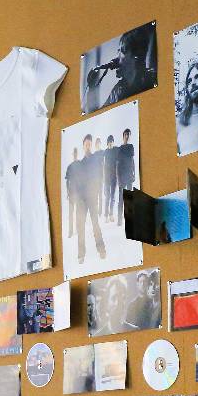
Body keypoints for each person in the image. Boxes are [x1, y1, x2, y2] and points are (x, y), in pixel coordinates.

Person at [86, 24, 156, 111]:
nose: (115, 58)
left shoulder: (152, 79)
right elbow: (99, 115)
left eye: (122, 51)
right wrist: (92, 88)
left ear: (136, 56)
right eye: (117, 51)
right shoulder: (118, 89)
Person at [75, 134, 107, 264]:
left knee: (95, 224)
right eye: (86, 144)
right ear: (83, 146)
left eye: (89, 144)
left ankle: (101, 249)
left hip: (92, 197)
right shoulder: (80, 163)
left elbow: (100, 176)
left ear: (91, 145)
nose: (88, 146)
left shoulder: (96, 159)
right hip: (81, 200)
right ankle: (81, 254)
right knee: (80, 227)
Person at [116, 128, 135, 224]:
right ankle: (119, 219)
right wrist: (118, 178)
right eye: (126, 135)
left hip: (129, 176)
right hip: (122, 177)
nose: (127, 136)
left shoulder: (131, 147)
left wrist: (134, 173)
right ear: (123, 136)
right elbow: (117, 165)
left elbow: (132, 161)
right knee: (121, 198)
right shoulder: (120, 149)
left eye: (129, 135)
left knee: (130, 198)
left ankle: (130, 218)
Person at [64, 148, 80, 238]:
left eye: (76, 153)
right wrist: (67, 192)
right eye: (74, 153)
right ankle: (70, 231)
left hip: (79, 193)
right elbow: (67, 181)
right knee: (71, 213)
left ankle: (77, 229)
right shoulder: (69, 167)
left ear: (77, 154)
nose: (75, 155)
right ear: (72, 155)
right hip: (71, 192)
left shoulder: (80, 165)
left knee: (78, 212)